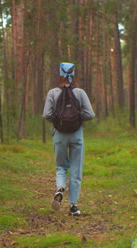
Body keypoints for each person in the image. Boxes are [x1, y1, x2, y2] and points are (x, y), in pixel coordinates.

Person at [42, 62, 95, 216]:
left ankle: (59, 189)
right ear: (74, 74)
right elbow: (90, 114)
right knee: (76, 170)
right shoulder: (80, 92)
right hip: (76, 134)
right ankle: (73, 206)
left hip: (59, 134)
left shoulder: (53, 93)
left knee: (61, 166)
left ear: (60, 74)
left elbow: (46, 115)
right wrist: (78, 118)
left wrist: (58, 121)